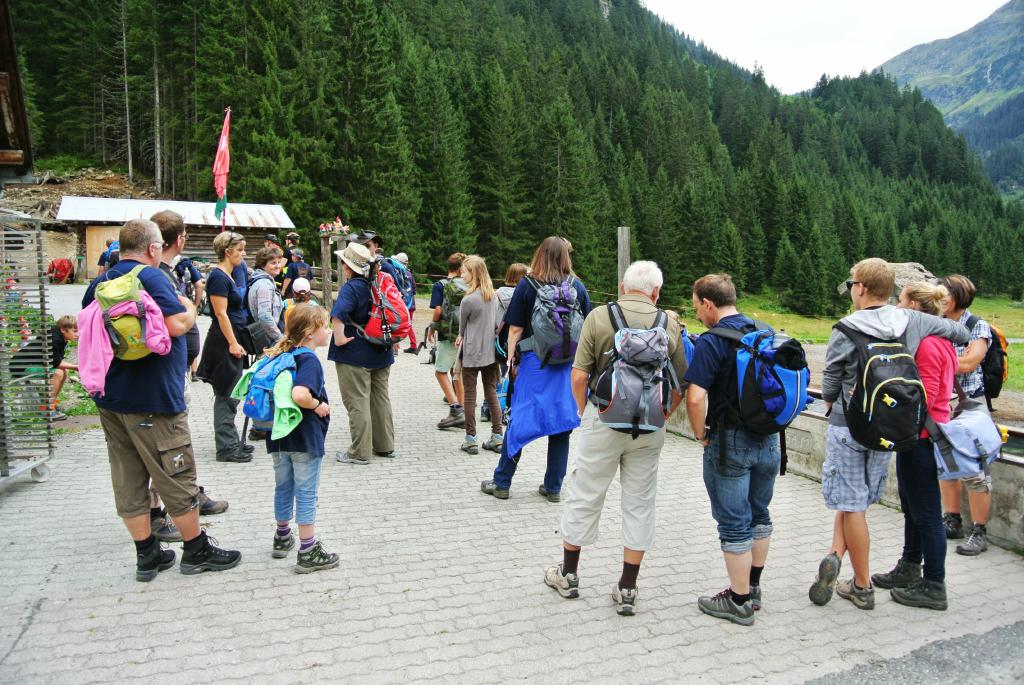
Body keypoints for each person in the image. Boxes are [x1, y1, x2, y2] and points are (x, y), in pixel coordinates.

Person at [81, 219, 240, 581]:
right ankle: (196, 549)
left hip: (112, 398)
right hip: (154, 399)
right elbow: (176, 323)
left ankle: (147, 554)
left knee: (128, 477)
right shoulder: (151, 278)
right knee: (176, 473)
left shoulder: (99, 283)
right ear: (153, 248)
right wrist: (188, 307)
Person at [809, 258, 969, 611]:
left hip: (849, 425)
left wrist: (831, 401)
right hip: (888, 428)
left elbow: (831, 377)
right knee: (857, 500)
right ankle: (836, 552)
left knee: (852, 504)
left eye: (852, 284)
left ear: (861, 288)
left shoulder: (846, 327)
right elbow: (962, 334)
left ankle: (862, 586)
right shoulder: (911, 320)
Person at [545, 261, 686, 616]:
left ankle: (569, 575)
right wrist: (662, 415)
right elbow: (680, 385)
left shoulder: (599, 317)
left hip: (604, 418)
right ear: (656, 292)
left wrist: (584, 411)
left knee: (585, 492)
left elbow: (579, 376)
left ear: (623, 287)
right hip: (650, 427)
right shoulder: (669, 323)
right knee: (640, 502)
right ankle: (627, 588)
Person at [682, 273, 778, 626]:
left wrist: (700, 434)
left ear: (709, 304)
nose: (697, 313)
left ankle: (738, 602)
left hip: (730, 442)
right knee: (759, 514)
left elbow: (695, 397)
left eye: (697, 307)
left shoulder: (712, 341)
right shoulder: (764, 331)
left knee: (734, 523)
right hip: (769, 439)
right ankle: (753, 587)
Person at [481, 236, 591, 501]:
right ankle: (553, 488)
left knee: (520, 419)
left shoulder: (527, 284)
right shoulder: (577, 286)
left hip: (534, 363)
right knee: (561, 424)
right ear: (566, 257)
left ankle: (502, 482)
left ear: (540, 254)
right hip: (567, 365)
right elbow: (587, 327)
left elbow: (515, 329)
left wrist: (510, 360)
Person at [871, 282, 956, 610]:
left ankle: (934, 584)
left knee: (928, 514)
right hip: (920, 437)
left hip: (922, 438)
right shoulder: (940, 339)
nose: (897, 306)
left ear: (916, 307)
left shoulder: (929, 344)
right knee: (914, 508)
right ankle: (909, 566)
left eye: (902, 300)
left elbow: (927, 395)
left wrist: (892, 408)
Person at [150, 210, 229, 529]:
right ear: (179, 239)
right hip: (165, 375)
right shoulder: (157, 275)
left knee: (174, 439)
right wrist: (190, 309)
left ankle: (185, 494)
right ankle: (169, 505)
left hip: (175, 370)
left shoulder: (168, 271)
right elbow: (176, 322)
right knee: (168, 440)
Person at [265, 303, 339, 573]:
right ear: (309, 332)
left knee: (283, 486)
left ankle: (282, 535)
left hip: (279, 435)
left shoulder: (283, 354)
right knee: (306, 492)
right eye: (324, 326)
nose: (328, 330)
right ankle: (308, 550)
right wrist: (318, 405)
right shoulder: (308, 360)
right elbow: (300, 394)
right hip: (304, 437)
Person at [936, 274, 994, 556]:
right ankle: (952, 520)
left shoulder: (976, 325)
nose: (940, 299)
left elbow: (970, 362)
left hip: (969, 406)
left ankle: (979, 531)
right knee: (947, 465)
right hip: (943, 405)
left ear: (959, 295)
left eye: (944, 294)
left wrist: (939, 360)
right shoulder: (937, 323)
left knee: (975, 469)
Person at [329, 242, 396, 465]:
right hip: (382, 351)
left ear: (348, 267)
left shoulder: (351, 288)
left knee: (357, 401)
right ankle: (385, 446)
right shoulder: (379, 283)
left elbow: (338, 315)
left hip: (354, 354)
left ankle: (360, 452)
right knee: (380, 400)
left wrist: (339, 338)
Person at [196, 231, 253, 463]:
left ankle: (231, 440)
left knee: (232, 392)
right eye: (240, 250)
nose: (243, 254)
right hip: (223, 342)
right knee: (226, 394)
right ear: (227, 252)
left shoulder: (228, 275)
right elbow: (220, 314)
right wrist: (232, 343)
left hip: (232, 338)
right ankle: (226, 447)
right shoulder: (218, 277)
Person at [457, 255, 503, 455]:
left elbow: (462, 328)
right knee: (491, 393)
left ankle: (471, 439)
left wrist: (460, 336)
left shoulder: (468, 300)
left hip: (471, 352)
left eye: (464, 271)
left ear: (474, 273)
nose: (462, 274)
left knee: (469, 395)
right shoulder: (493, 296)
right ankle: (498, 436)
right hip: (490, 353)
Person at [429, 253, 467, 429]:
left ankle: (455, 409)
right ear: (461, 269)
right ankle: (464, 410)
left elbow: (438, 310)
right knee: (457, 373)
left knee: (440, 371)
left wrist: (432, 327)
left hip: (448, 334)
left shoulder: (441, 285)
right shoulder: (468, 284)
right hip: (465, 334)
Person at [248, 246, 286, 345]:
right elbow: (264, 316)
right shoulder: (264, 285)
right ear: (262, 265)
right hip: (268, 339)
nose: (278, 266)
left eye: (279, 262)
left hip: (268, 337)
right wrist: (280, 338)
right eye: (273, 263)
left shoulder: (265, 281)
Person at [46, 315, 78, 420]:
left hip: (38, 363)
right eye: (74, 331)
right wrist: (76, 367)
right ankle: (47, 408)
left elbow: (55, 361)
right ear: (63, 330)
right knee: (58, 373)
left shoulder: (61, 337)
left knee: (64, 372)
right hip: (24, 367)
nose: (77, 334)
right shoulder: (54, 339)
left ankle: (53, 402)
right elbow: (56, 363)